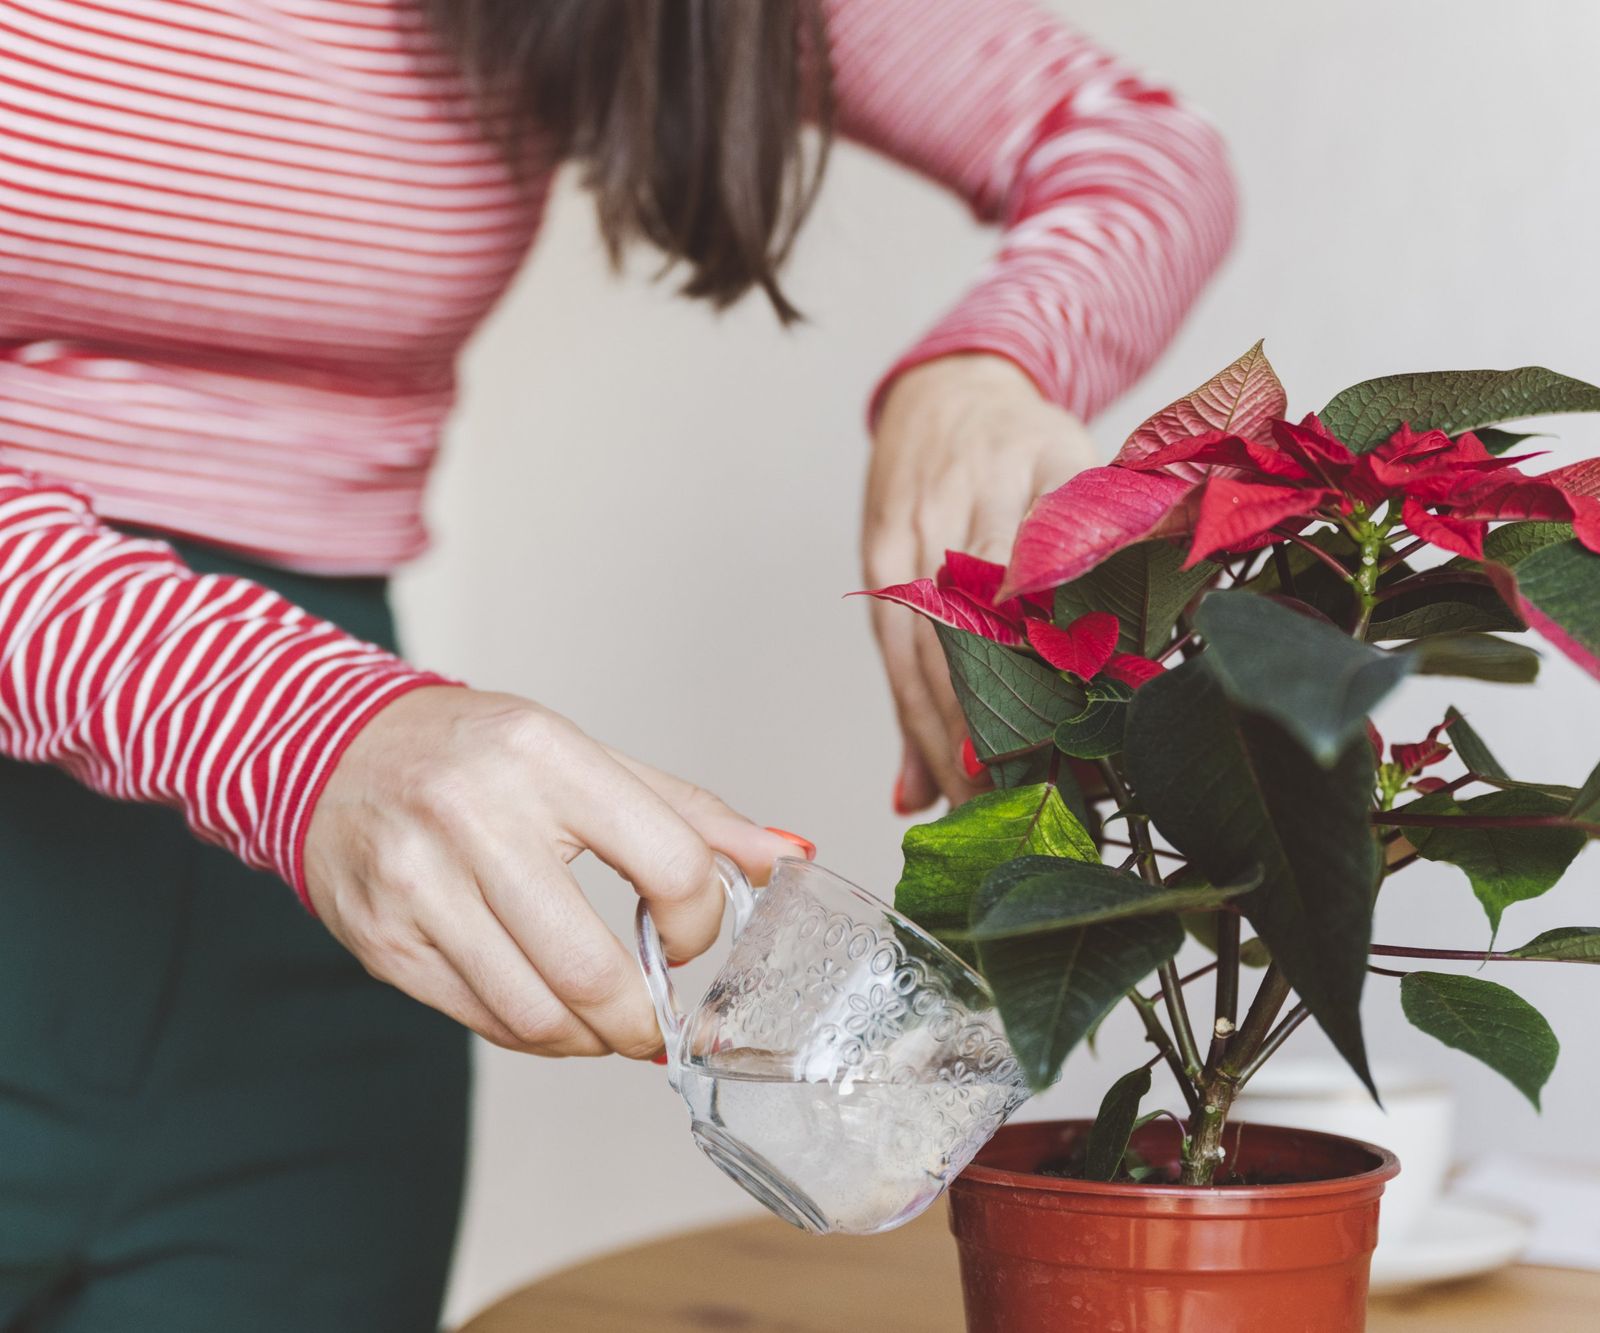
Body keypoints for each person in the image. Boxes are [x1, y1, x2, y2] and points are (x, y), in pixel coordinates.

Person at [0, 0, 1235, 1327]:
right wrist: (290, 723)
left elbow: (1138, 147)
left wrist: (993, 366)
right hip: (300, 751)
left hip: (316, 937)